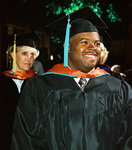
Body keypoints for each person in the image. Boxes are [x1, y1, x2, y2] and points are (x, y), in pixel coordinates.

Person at [11, 7, 132, 150]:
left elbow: (127, 140)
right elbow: (26, 141)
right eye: (84, 42)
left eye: (97, 43)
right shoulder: (40, 87)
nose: (92, 47)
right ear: (67, 46)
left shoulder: (119, 89)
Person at [0, 32, 40, 150]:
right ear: (13, 54)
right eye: (24, 53)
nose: (29, 58)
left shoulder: (39, 82)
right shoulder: (2, 81)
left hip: (31, 143)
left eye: (33, 54)